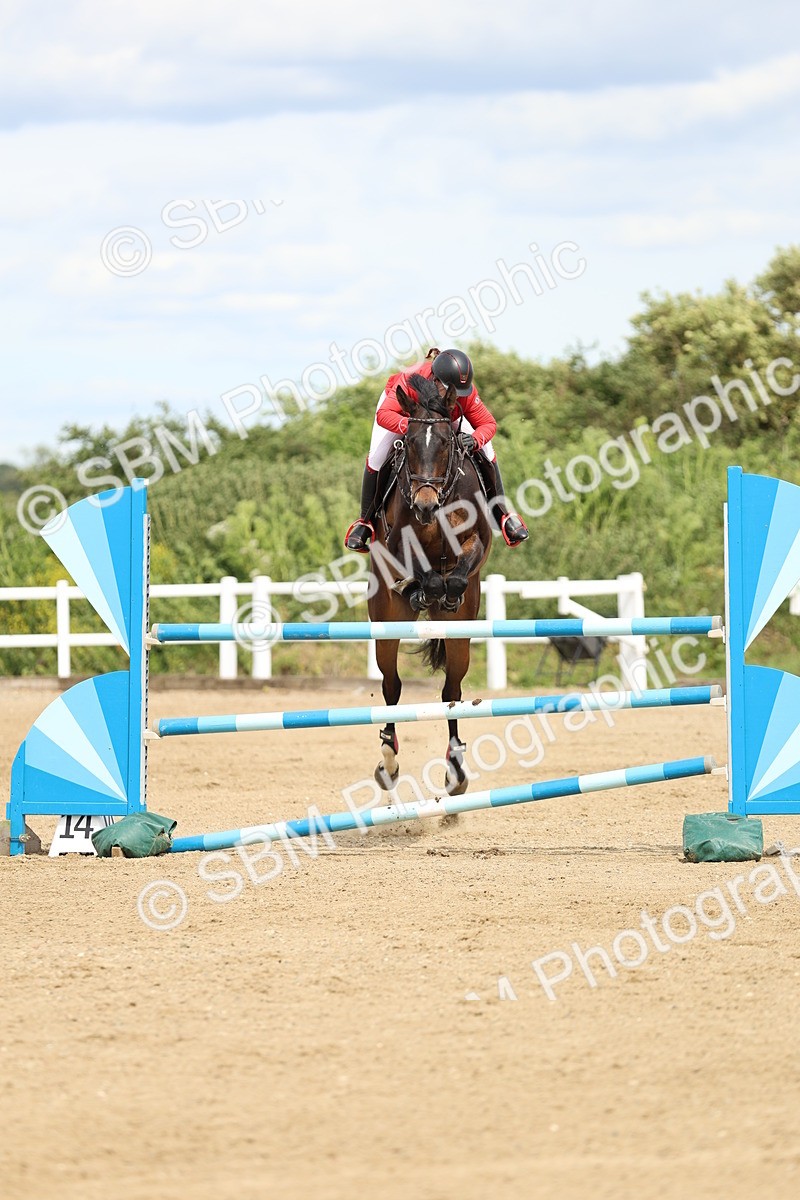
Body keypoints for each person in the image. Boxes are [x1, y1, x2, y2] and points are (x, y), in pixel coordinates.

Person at [344, 348, 529, 552]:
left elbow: (488, 424)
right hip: (405, 414)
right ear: (436, 380)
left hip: (443, 419)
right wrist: (415, 427)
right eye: (452, 391)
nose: (456, 397)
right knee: (377, 456)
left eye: (460, 392)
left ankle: (502, 514)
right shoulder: (410, 382)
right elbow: (384, 414)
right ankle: (365, 522)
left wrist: (475, 440)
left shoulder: (463, 392)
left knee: (487, 450)